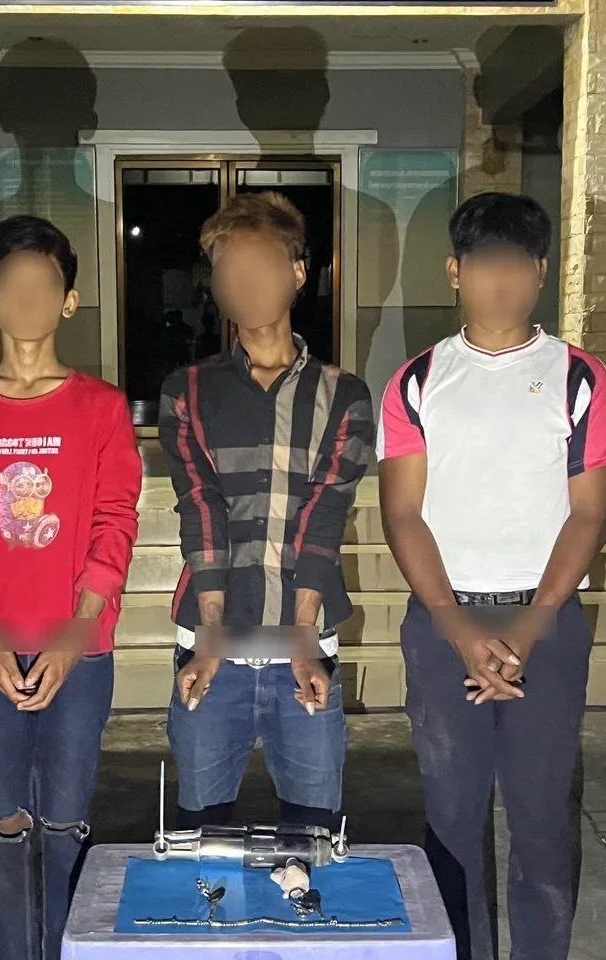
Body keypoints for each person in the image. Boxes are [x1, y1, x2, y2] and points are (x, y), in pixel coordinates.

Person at [377, 192, 606, 960]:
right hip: (442, 624)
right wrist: (456, 628)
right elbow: (402, 514)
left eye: (518, 263)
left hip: (546, 625)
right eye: (485, 263)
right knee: (451, 819)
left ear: (541, 271)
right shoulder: (417, 382)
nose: (502, 280)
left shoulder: (581, 378)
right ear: (455, 271)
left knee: (542, 818)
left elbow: (590, 514)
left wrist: (529, 627)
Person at [0, 215, 141, 960]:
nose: (26, 297)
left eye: (42, 284)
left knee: (65, 826)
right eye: (9, 283)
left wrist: (76, 635)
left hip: (79, 649)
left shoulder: (100, 407)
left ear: (69, 300)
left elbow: (114, 523)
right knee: (7, 828)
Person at [159, 191, 374, 831]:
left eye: (259, 264)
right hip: (210, 641)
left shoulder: (343, 394)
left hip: (304, 642)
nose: (244, 282)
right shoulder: (188, 389)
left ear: (298, 272)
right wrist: (212, 637)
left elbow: (325, 515)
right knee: (202, 833)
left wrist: (302, 638)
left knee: (312, 834)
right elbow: (200, 509)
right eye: (228, 269)